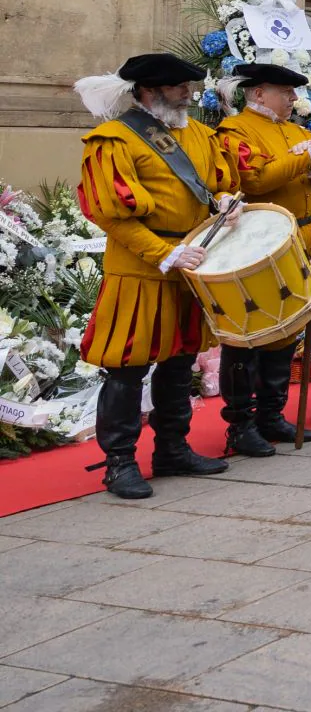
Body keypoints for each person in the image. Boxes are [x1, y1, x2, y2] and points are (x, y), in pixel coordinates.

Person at [74, 53, 241, 499]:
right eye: (179, 86)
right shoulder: (113, 141)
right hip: (142, 269)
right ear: (150, 91)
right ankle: (119, 463)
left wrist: (225, 200)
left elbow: (218, 181)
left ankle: (172, 449)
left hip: (190, 263)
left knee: (178, 362)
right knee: (127, 369)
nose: (189, 93)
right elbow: (112, 216)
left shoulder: (201, 134)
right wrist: (165, 253)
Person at [212, 63, 311, 455]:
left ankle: (271, 412)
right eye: (286, 92)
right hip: (258, 246)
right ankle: (241, 422)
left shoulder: (298, 131)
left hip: (299, 237)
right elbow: (255, 180)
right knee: (250, 334)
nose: (295, 99)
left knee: (286, 332)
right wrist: (308, 154)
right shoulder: (236, 131)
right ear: (259, 92)